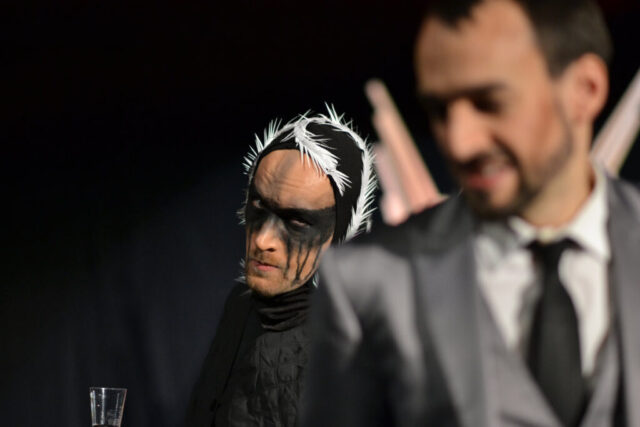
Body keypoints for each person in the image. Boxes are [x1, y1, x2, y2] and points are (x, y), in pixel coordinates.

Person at [301, 1, 640, 426]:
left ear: (585, 90)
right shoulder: (368, 282)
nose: (460, 143)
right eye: (439, 111)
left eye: (489, 103)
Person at [184, 107, 376, 426]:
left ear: (338, 236)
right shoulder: (241, 306)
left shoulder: (341, 347)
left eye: (297, 221)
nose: (263, 240)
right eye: (258, 207)